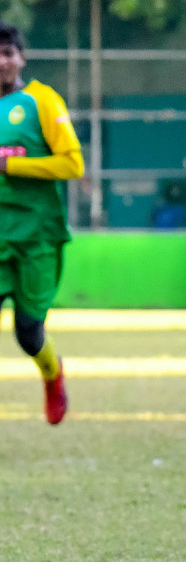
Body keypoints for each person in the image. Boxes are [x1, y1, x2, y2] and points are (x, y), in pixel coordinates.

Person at [0, 23, 82, 425]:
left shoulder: (42, 101)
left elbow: (72, 163)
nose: (2, 61)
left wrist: (11, 164)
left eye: (8, 53)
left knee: (28, 332)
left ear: (21, 58)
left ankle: (52, 374)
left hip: (36, 239)